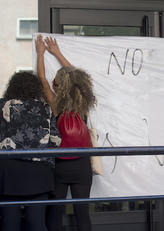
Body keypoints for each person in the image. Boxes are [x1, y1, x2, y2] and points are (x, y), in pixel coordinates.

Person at [35, 35, 96, 231]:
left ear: (58, 86)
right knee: (82, 213)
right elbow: (76, 79)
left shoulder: (55, 105)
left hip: (60, 164)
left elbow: (41, 79)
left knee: (55, 213)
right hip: (82, 164)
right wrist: (57, 53)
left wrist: (41, 53)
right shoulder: (83, 105)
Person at [0, 72, 61, 231]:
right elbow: (56, 139)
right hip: (38, 172)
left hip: (8, 170)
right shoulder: (45, 108)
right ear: (36, 89)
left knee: (9, 223)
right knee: (37, 222)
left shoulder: (2, 106)